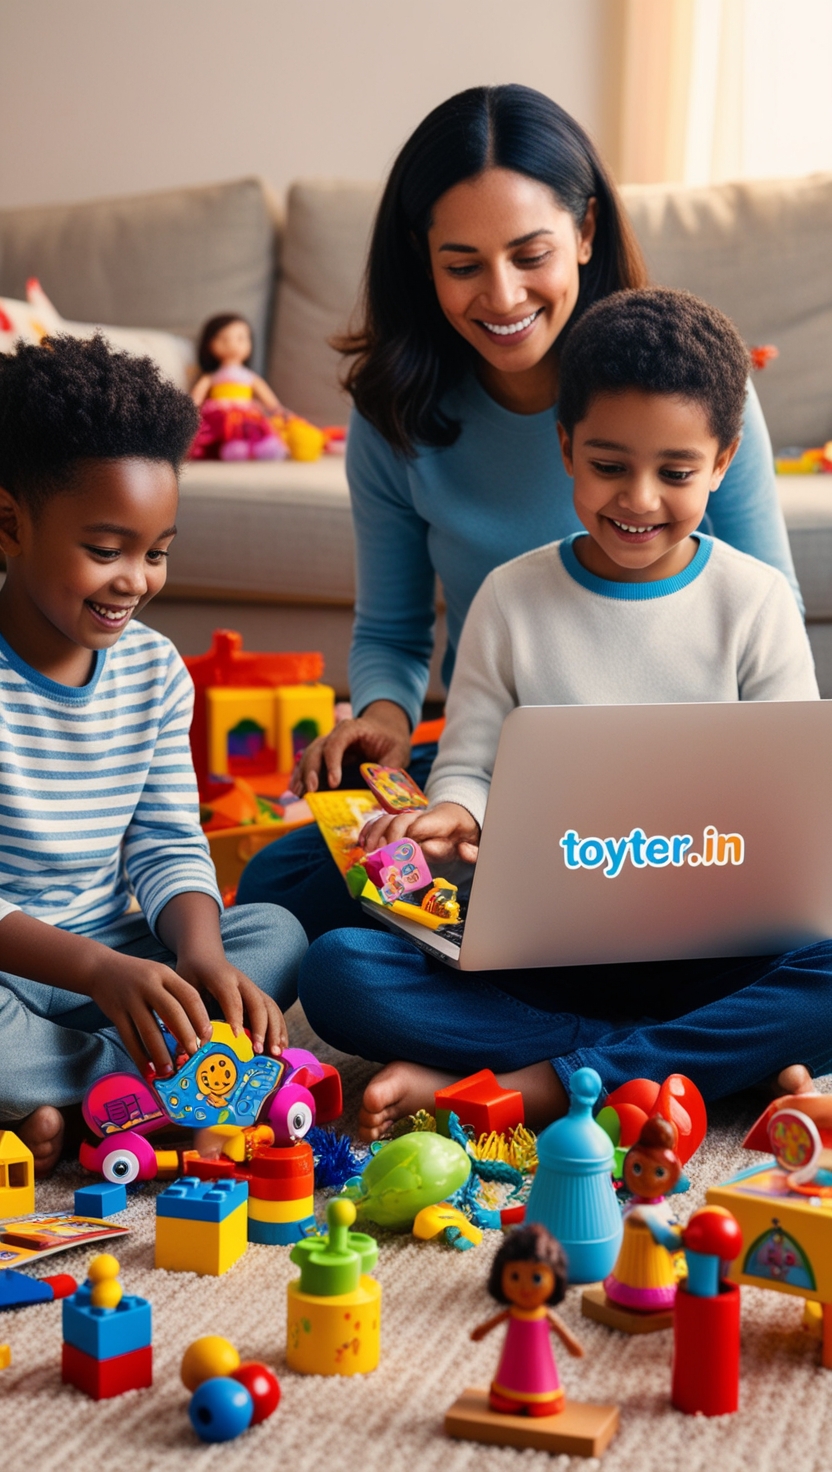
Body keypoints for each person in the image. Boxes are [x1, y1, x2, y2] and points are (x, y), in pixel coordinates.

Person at [237, 82, 802, 942]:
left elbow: (770, 609)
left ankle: (563, 990)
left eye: (530, 254)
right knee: (283, 885)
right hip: (498, 760)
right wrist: (384, 719)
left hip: (679, 787)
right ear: (423, 261)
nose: (501, 297)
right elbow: (393, 629)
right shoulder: (396, 417)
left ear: (585, 232)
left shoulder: (688, 391)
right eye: (463, 265)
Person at [298, 287, 826, 1140]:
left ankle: (548, 1083)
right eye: (609, 465)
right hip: (547, 956)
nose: (639, 500)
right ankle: (693, 1059)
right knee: (339, 973)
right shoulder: (511, 599)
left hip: (716, 952)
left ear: (723, 461)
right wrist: (456, 811)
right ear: (566, 447)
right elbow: (468, 762)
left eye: (676, 473)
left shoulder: (755, 601)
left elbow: (793, 803)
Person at [0, 334, 306, 1173]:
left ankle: (78, 1097)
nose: (135, 580)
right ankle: (149, 1086)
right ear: (11, 524)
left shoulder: (155, 670)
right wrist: (94, 970)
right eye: (106, 552)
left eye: (157, 553)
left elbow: (168, 841)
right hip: (25, 968)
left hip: (123, 954)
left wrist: (200, 957)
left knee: (275, 931)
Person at [470, 1223, 584, 1417]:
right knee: (510, 1374)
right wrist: (482, 1330)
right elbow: (493, 1322)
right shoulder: (513, 1312)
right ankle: (509, 1395)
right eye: (515, 1276)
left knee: (540, 1371)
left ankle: (542, 1397)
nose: (525, 1288)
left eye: (537, 1278)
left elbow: (560, 1329)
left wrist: (571, 1344)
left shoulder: (544, 1314)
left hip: (543, 1382)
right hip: (510, 1373)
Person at [189, 313, 288, 461]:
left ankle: (257, 447)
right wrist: (190, 411)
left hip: (247, 411)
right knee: (220, 428)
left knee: (254, 426)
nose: (232, 345)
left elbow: (268, 398)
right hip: (218, 412)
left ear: (250, 343)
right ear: (209, 344)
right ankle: (230, 447)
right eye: (223, 339)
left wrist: (278, 410)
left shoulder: (250, 377)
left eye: (240, 338)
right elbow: (195, 398)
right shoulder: (210, 377)